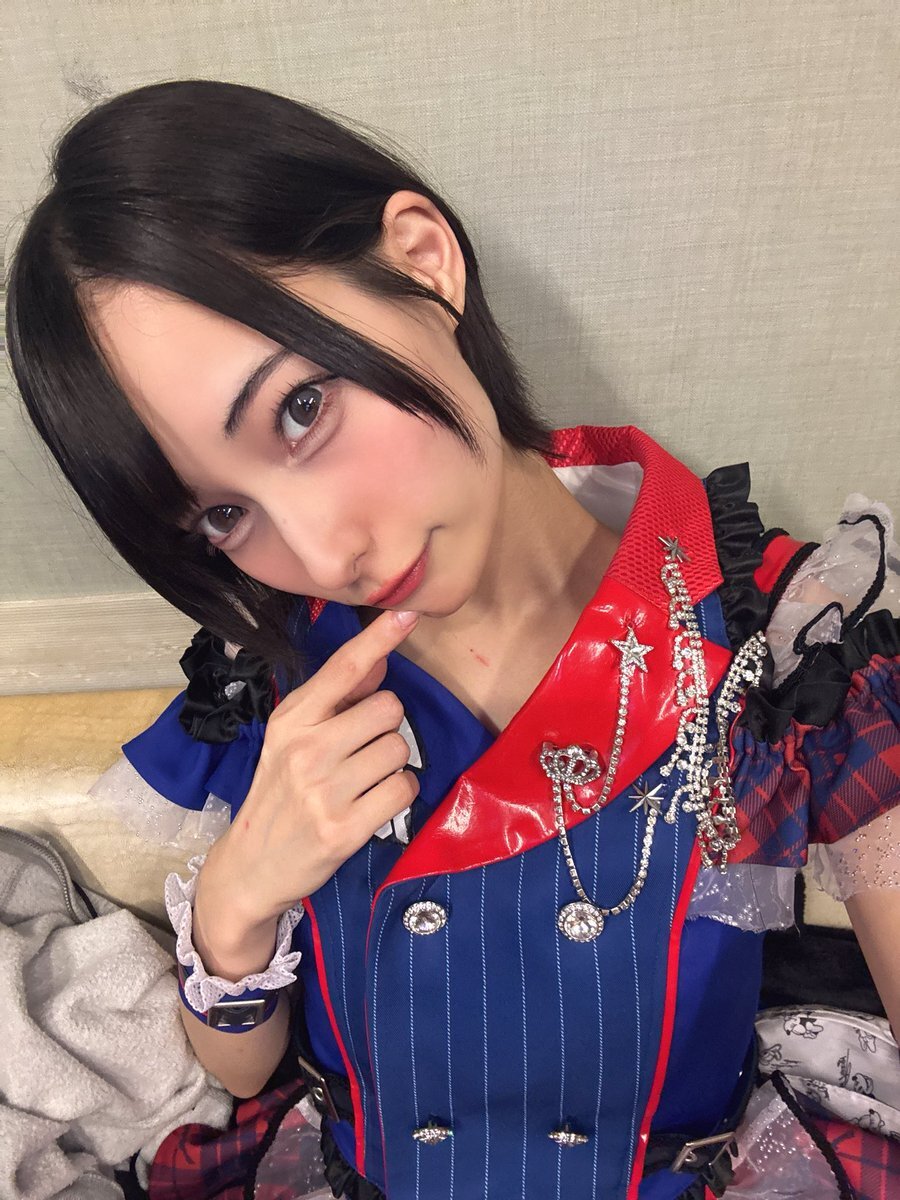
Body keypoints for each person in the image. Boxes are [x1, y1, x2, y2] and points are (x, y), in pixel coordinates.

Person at [6, 79, 899, 1200]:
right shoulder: (274, 673)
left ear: (424, 262)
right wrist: (235, 906)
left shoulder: (788, 648)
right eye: (224, 514)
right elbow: (243, 1071)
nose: (324, 550)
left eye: (301, 410)